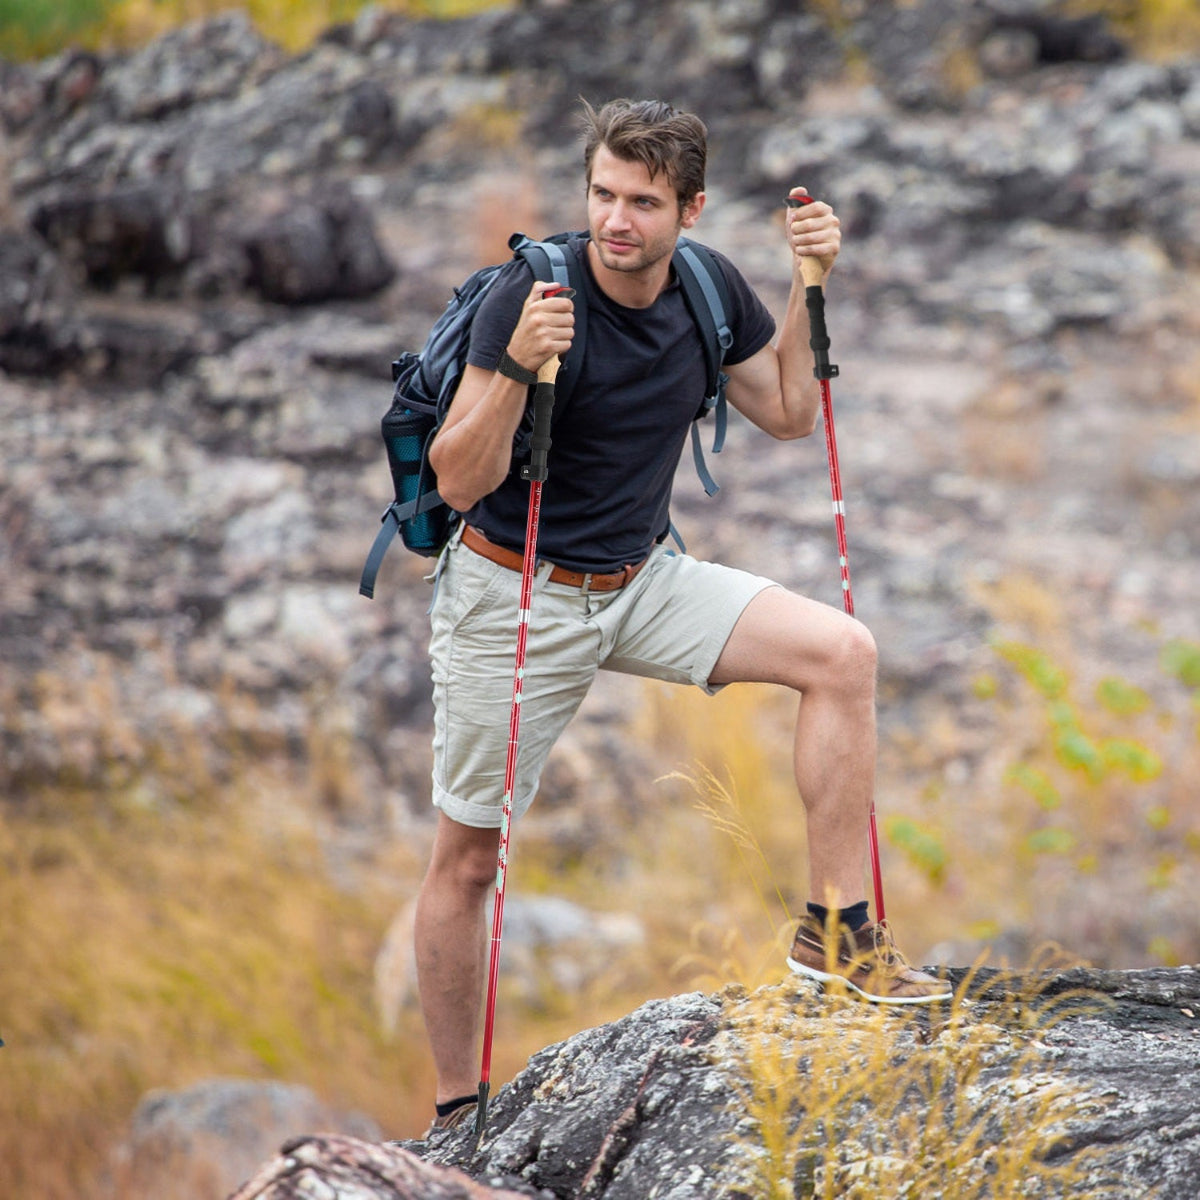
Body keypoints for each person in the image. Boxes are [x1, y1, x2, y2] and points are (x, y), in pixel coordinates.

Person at [412, 97, 951, 1134]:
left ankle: (838, 939)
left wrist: (809, 284)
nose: (618, 219)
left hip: (643, 580)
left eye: (644, 202)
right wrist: (521, 365)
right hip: (512, 589)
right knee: (470, 857)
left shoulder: (706, 286)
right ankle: (455, 1116)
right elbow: (460, 476)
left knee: (843, 653)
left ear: (689, 209)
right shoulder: (529, 292)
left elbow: (791, 410)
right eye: (604, 194)